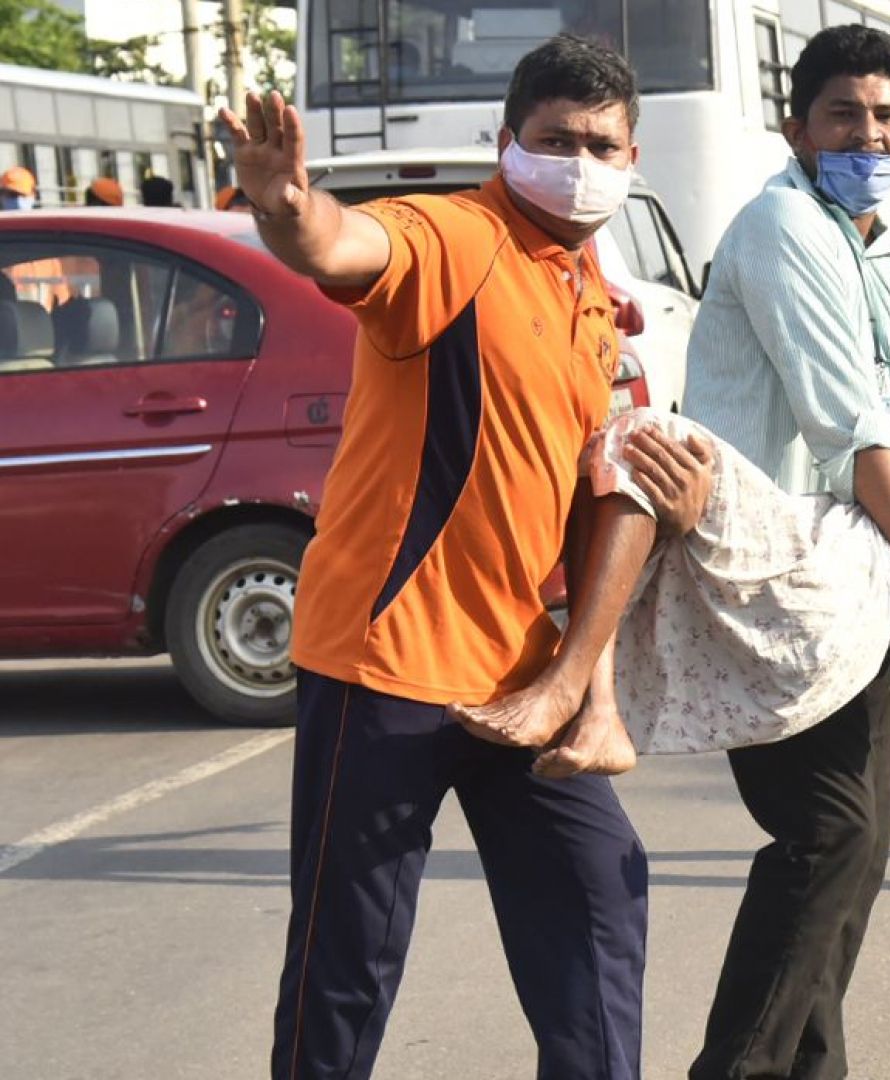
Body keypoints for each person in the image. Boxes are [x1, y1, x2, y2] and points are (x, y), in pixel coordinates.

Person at [223, 35, 675, 1079]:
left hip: (517, 674)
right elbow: (345, 245)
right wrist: (287, 208)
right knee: (348, 963)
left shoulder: (593, 299)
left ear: (632, 158)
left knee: (599, 890)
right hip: (383, 663)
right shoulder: (458, 239)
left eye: (600, 145)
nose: (579, 162)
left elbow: (593, 509)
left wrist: (588, 691)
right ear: (506, 141)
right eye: (555, 140)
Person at [672, 26, 890, 1080]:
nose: (868, 135)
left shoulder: (887, 252)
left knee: (856, 851)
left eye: (886, 117)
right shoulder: (785, 225)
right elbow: (847, 425)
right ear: (799, 130)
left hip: (844, 571)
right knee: (826, 835)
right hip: (765, 576)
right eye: (844, 115)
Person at [456, 407, 890, 772]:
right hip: (812, 600)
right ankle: (589, 706)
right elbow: (882, 437)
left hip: (827, 591)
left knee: (651, 440)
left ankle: (578, 692)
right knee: (632, 506)